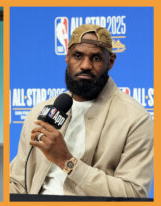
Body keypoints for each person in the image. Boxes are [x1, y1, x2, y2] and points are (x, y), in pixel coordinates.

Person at [10, 24, 153, 197]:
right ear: (67, 57)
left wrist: (67, 161)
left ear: (111, 61)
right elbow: (17, 183)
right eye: (78, 56)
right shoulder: (40, 112)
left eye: (96, 58)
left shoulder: (136, 119)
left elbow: (134, 194)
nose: (85, 65)